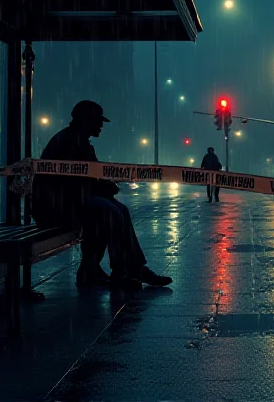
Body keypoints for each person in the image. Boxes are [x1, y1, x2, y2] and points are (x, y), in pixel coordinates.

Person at [31, 100, 172, 289]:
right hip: (55, 208)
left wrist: (102, 186)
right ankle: (121, 270)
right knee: (109, 213)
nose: (101, 126)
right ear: (86, 120)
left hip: (65, 203)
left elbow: (86, 179)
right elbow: (74, 182)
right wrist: (101, 187)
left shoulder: (78, 141)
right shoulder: (72, 141)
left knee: (118, 209)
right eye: (98, 121)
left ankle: (112, 268)